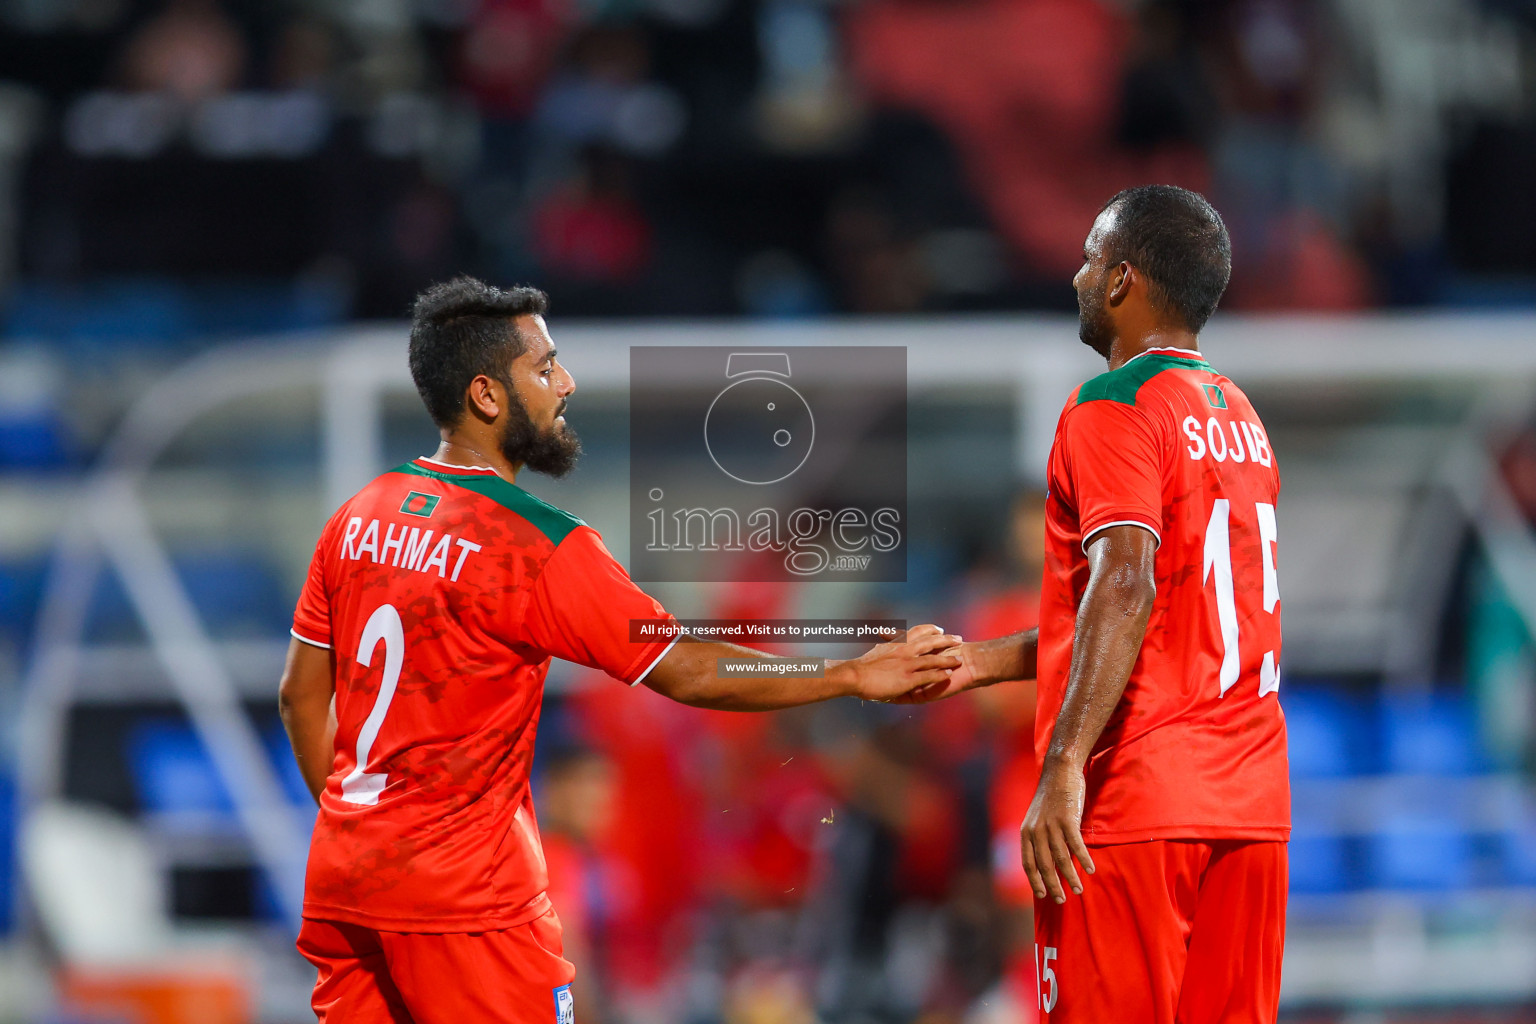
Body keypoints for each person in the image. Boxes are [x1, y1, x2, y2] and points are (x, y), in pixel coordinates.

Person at [277, 276, 961, 1023]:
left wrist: (365, 831)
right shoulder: (534, 546)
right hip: (466, 898)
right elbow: (693, 672)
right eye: (543, 368)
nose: (564, 384)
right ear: (485, 395)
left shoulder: (357, 517)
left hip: (346, 877)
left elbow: (299, 697)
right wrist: (850, 673)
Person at [930, 185, 1288, 1022]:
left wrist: (1060, 767)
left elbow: (1123, 582)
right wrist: (986, 660)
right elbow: (1169, 614)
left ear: (1125, 280)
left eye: (1092, 258)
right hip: (1253, 807)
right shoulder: (1240, 414)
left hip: (1136, 805)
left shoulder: (1114, 405)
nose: (1077, 275)